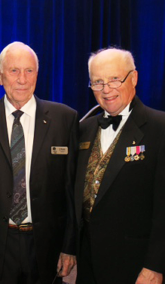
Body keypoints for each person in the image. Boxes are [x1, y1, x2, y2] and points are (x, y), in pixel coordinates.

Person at [0, 41, 78, 284]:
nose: (22, 79)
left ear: (37, 75)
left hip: (47, 246)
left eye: (29, 70)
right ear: (0, 76)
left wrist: (69, 246)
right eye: (14, 71)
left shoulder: (65, 119)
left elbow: (72, 190)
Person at [75, 47, 165, 284]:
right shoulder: (84, 129)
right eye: (98, 82)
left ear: (133, 78)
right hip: (88, 265)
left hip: (136, 268)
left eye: (115, 79)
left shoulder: (160, 128)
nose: (106, 90)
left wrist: (155, 265)